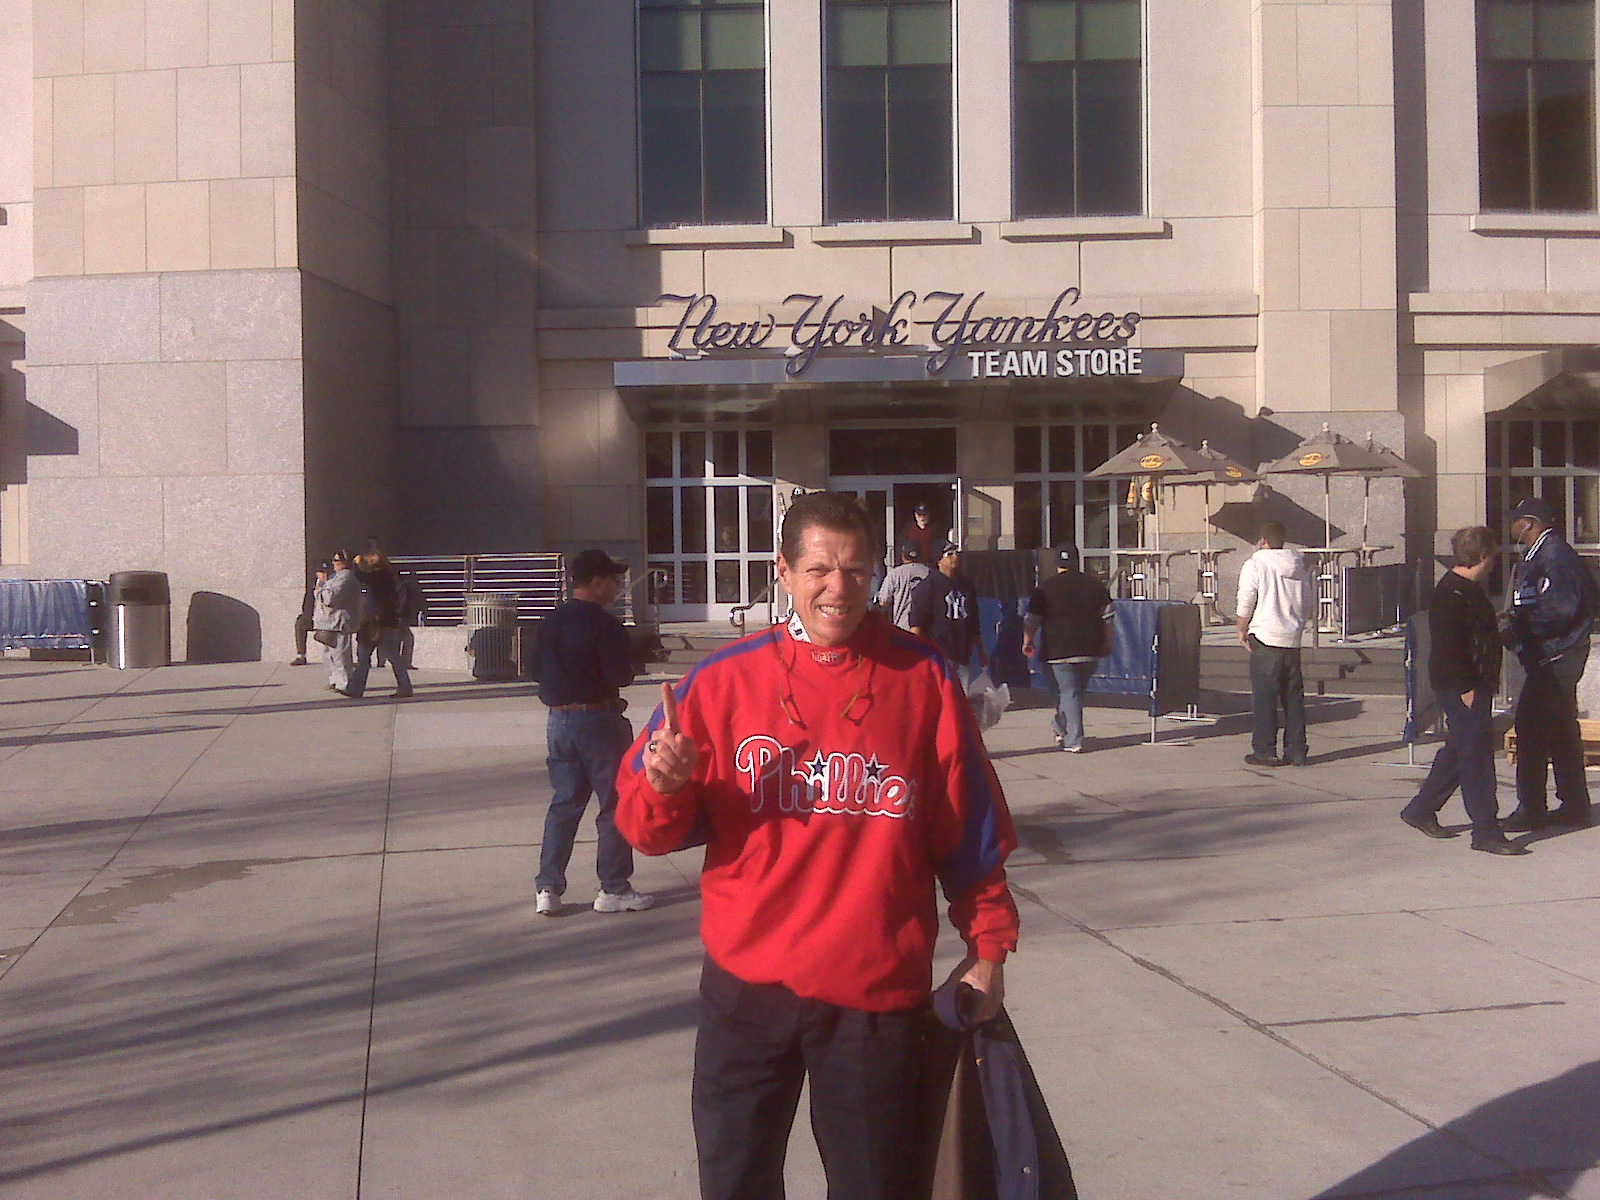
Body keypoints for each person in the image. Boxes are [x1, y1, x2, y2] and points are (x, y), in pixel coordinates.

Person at [615, 491, 1018, 1200]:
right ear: (785, 572)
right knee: (734, 1181)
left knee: (877, 1186)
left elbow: (970, 827)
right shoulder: (721, 682)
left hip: (874, 997)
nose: (839, 588)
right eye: (820, 570)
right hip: (747, 991)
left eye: (858, 571)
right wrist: (666, 786)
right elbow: (647, 831)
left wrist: (987, 951)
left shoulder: (921, 679)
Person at [535, 549, 655, 917]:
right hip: (599, 721)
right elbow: (619, 675)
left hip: (558, 721)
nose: (618, 587)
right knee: (615, 804)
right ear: (598, 582)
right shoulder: (605, 625)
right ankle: (613, 887)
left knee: (565, 804)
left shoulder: (548, 622)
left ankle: (548, 888)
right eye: (614, 580)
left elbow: (534, 672)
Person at [1400, 527, 1526, 854]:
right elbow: (1448, 647)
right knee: (1477, 758)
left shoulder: (1469, 590)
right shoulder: (1450, 594)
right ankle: (1486, 831)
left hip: (1474, 682)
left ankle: (1420, 809)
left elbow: (1472, 633)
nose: (1497, 558)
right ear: (1483, 556)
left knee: (1459, 750)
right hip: (1462, 685)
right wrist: (1466, 687)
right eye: (1494, 553)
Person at [1501, 496, 1598, 831]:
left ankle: (1532, 810)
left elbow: (1562, 608)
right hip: (1548, 654)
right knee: (1559, 731)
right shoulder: (1538, 554)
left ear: (1528, 522)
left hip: (1557, 656)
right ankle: (1574, 806)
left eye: (1514, 519)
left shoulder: (1554, 554)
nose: (1510, 525)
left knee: (1530, 730)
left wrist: (1518, 628)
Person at [1235, 521, 1315, 767]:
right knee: (1293, 698)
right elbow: (1309, 603)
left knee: (1265, 698)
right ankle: (1297, 749)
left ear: (1263, 540)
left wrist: (1241, 627)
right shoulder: (1299, 565)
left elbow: (1247, 597)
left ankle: (1265, 750)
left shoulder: (1256, 564)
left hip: (1265, 636)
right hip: (1292, 638)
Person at [1023, 543, 1115, 753]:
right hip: (1090, 648)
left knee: (1067, 693)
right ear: (1077, 561)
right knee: (1073, 693)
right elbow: (1108, 617)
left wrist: (1028, 640)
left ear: (1057, 563)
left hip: (1058, 651)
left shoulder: (1044, 589)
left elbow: (1032, 620)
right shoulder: (1095, 585)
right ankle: (1060, 725)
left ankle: (1073, 740)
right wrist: (1108, 642)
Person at [910, 539, 990, 685]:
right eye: (949, 554)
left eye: (956, 553)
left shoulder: (966, 585)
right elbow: (917, 623)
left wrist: (981, 650)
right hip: (938, 654)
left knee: (960, 697)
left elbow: (974, 620)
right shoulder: (928, 586)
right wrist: (917, 654)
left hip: (963, 653)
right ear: (939, 560)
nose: (955, 557)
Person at [347, 552, 414, 700]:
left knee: (364, 656)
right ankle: (404, 686)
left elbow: (361, 577)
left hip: (376, 623)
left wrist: (355, 564)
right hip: (385, 622)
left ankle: (355, 689)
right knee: (391, 656)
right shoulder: (388, 577)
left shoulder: (380, 576)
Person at [313, 550, 363, 696]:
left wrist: (320, 587)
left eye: (337, 561)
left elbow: (330, 598)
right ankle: (335, 680)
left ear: (345, 562)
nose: (334, 564)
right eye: (333, 560)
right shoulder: (336, 577)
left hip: (340, 622)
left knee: (341, 655)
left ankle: (345, 683)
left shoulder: (346, 577)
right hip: (329, 623)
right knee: (328, 655)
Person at [874, 540, 930, 630]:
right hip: (926, 630)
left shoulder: (895, 573)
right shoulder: (930, 573)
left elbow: (883, 602)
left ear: (903, 554)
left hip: (902, 629)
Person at [291, 565, 326, 666]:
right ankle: (301, 655)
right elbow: (306, 607)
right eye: (321, 573)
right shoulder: (312, 589)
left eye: (325, 573)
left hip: (330, 618)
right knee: (300, 622)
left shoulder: (335, 584)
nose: (323, 576)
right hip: (315, 617)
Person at [900, 501, 937, 565]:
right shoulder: (908, 529)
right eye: (919, 515)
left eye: (924, 515)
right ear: (915, 515)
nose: (922, 518)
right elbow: (901, 547)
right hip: (911, 564)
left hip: (929, 564)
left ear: (928, 515)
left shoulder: (934, 530)